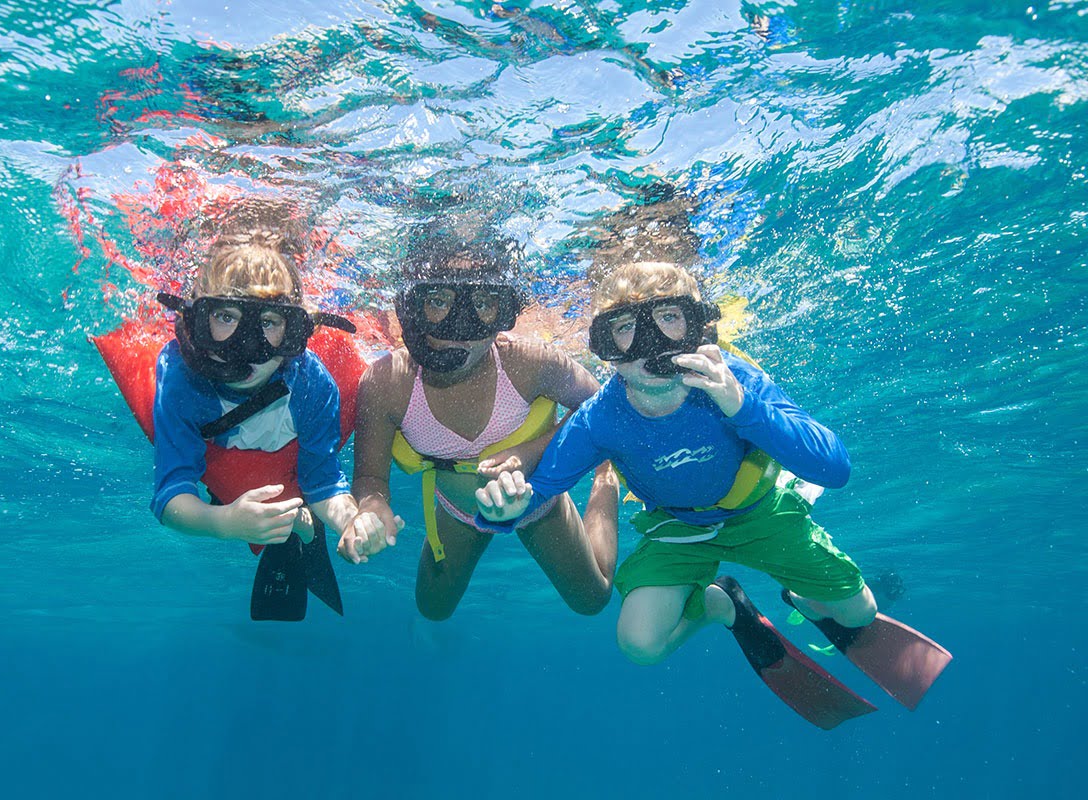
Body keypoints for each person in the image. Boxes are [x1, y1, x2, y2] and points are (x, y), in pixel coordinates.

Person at [475, 260, 950, 728]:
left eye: (668, 319)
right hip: (677, 528)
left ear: (696, 327)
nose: (652, 342)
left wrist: (742, 407)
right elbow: (544, 488)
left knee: (860, 613)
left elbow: (835, 467)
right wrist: (508, 510)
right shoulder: (602, 417)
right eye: (625, 327)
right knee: (639, 645)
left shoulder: (734, 380)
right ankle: (720, 606)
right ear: (606, 347)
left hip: (761, 513)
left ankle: (807, 601)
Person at [338, 224, 620, 620]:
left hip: (539, 502)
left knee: (593, 599)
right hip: (458, 510)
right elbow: (370, 478)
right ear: (410, 309)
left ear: (505, 313)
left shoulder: (530, 363)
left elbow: (605, 409)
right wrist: (370, 508)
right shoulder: (386, 384)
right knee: (432, 609)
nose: (459, 328)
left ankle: (606, 482)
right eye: (437, 300)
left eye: (484, 303)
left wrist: (530, 453)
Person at [149, 229, 373, 619]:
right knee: (228, 499)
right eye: (225, 316)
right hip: (224, 471)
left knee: (300, 504)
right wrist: (225, 522)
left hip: (289, 468)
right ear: (198, 321)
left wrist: (353, 521)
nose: (246, 344)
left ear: (294, 330)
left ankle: (301, 526)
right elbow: (171, 492)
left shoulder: (310, 382)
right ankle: (287, 523)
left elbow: (323, 482)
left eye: (268, 322)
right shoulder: (182, 379)